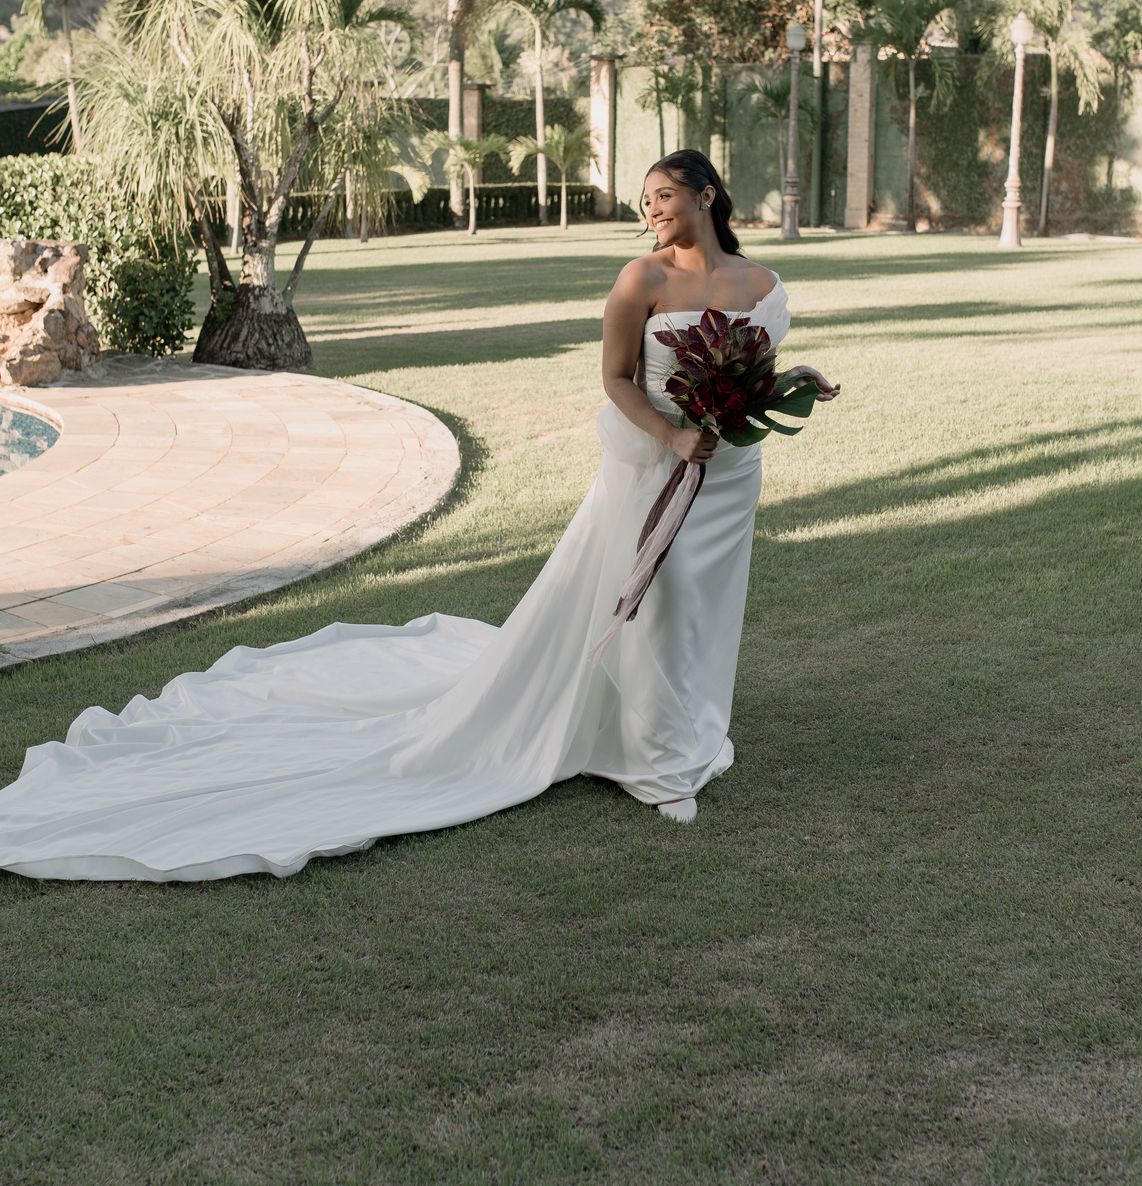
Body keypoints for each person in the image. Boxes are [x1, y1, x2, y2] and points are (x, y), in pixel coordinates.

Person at [0, 151, 838, 883]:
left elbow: (753, 372)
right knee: (651, 602)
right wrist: (672, 433)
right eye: (645, 199)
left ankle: (686, 725)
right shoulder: (640, 280)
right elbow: (617, 378)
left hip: (728, 474)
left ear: (706, 193)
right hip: (656, 464)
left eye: (664, 196)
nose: (651, 210)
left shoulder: (762, 284)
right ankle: (661, 764)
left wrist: (793, 383)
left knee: (706, 604)